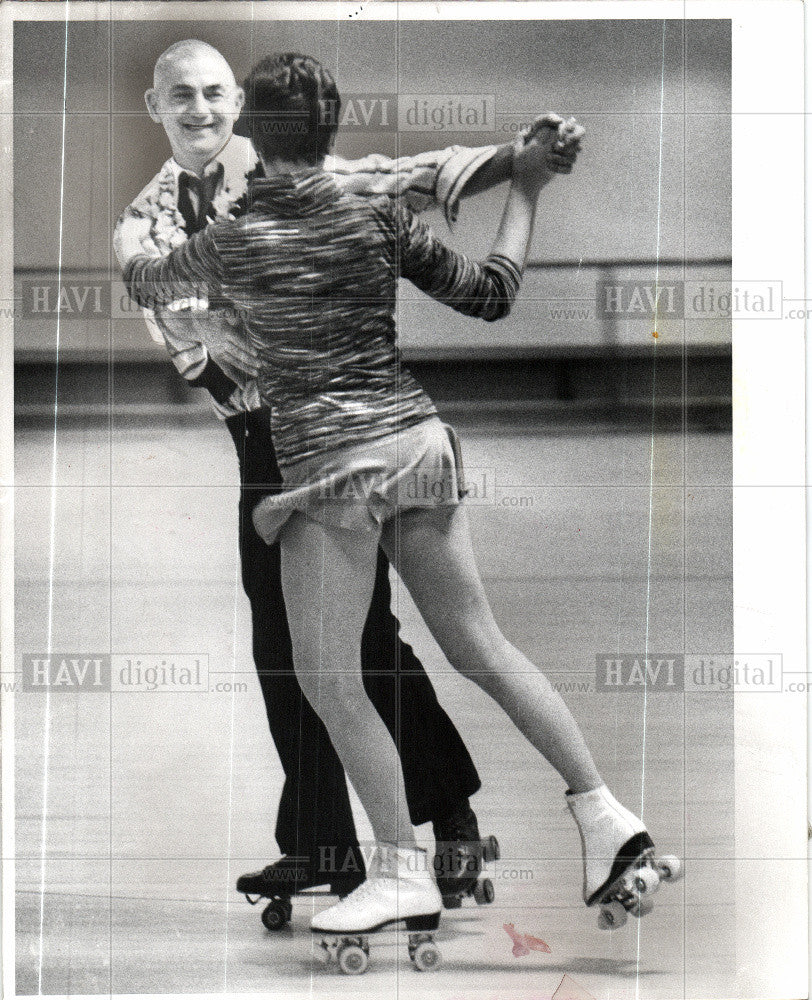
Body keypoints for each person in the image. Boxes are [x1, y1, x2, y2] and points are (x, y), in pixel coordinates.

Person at [121, 52, 679, 942]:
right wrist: (526, 184)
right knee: (481, 647)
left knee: (327, 675)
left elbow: (150, 281)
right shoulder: (373, 211)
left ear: (250, 133)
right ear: (335, 131)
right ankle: (607, 817)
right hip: (418, 448)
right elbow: (491, 295)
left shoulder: (228, 240)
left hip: (329, 476)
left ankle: (401, 871)